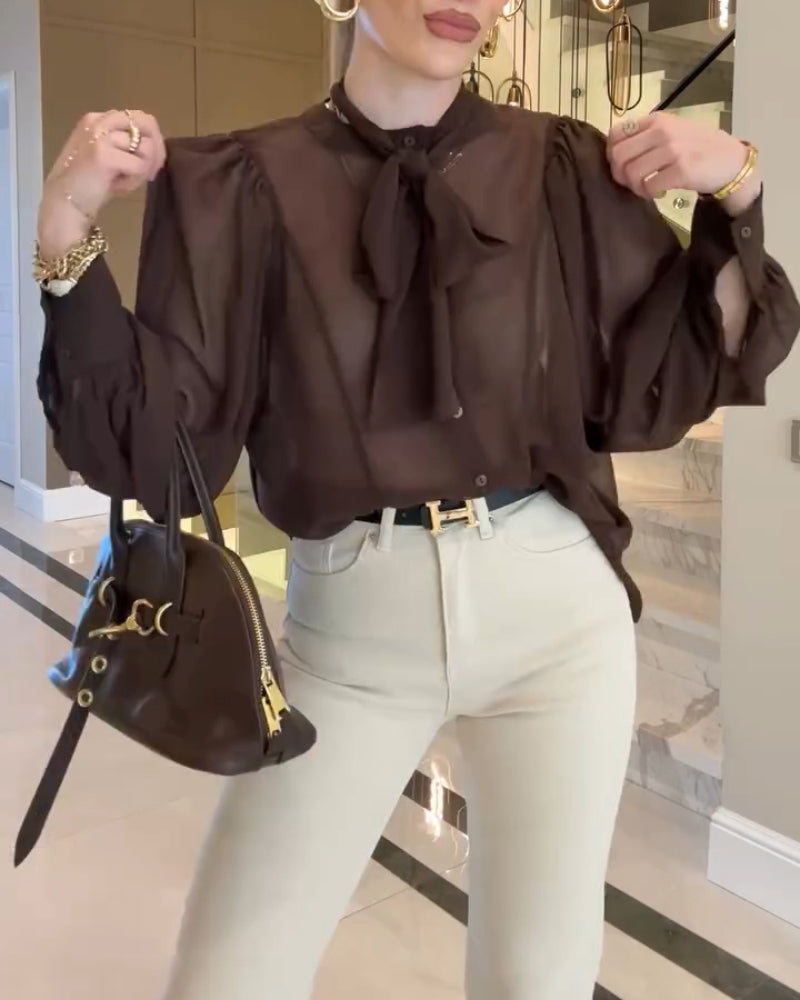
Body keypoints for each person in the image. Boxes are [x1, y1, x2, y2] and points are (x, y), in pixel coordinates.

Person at [33, 1, 799, 998]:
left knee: (537, 978)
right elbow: (156, 447)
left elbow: (685, 362)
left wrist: (738, 186)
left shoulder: (559, 164)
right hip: (351, 635)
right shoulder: (246, 181)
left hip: (558, 624)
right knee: (227, 977)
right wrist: (65, 225)